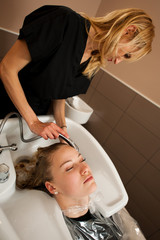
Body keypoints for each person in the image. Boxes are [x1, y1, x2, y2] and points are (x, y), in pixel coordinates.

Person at [0, 5, 155, 140]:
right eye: (126, 54)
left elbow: (59, 94)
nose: (117, 61)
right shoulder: (63, 21)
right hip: (7, 106)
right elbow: (7, 68)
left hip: (34, 119)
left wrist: (63, 131)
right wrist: (33, 122)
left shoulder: (94, 60)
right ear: (128, 30)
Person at [15, 142, 123, 239]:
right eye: (70, 168)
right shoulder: (57, 232)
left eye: (82, 160)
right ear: (52, 187)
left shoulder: (108, 205)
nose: (85, 168)